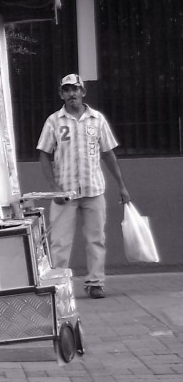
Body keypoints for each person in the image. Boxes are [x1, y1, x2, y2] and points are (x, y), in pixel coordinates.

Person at [37, 73, 130, 299]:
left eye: (75, 89)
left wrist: (122, 186)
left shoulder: (97, 120)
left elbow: (108, 153)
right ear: (61, 94)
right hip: (64, 194)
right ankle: (59, 287)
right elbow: (43, 154)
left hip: (93, 190)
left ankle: (95, 283)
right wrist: (53, 187)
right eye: (67, 90)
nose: (72, 94)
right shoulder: (54, 121)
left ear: (83, 92)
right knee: (59, 242)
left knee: (96, 239)